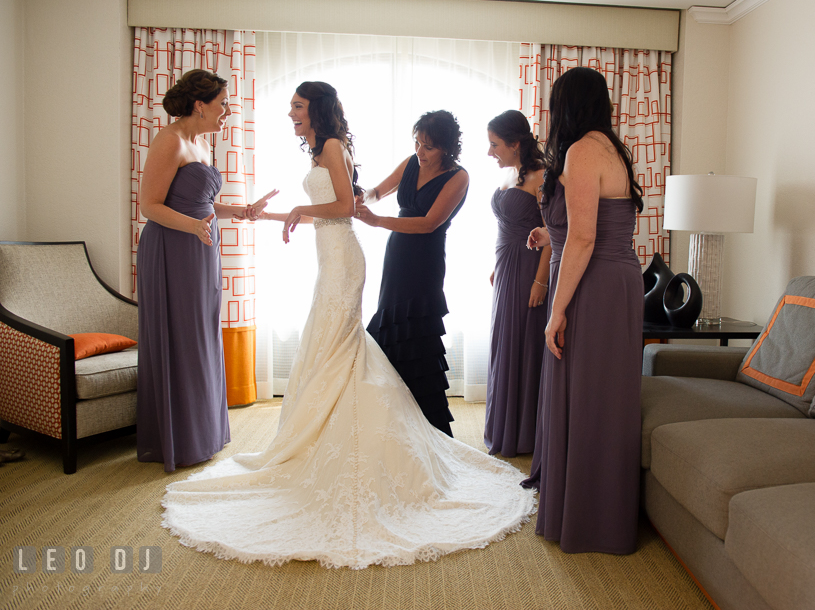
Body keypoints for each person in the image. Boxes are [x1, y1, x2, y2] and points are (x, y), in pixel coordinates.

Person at [161, 83, 535, 568]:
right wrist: (266, 212)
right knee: (343, 344)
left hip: (379, 259)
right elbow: (356, 197)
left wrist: (346, 215)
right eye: (417, 140)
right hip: (348, 254)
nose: (420, 148)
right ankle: (336, 426)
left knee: (362, 343)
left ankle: (397, 429)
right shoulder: (348, 153)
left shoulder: (428, 170)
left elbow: (370, 212)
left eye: (297, 106)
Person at [520, 67, 645, 554]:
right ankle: (596, 508)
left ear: (565, 106)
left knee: (589, 392)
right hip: (617, 279)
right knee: (602, 392)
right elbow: (592, 225)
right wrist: (549, 235)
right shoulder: (610, 147)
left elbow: (586, 236)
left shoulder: (582, 149)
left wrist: (557, 309)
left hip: (596, 282)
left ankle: (590, 518)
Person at [137, 69, 270, 472]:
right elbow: (150, 206)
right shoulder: (170, 140)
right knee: (181, 336)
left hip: (199, 248)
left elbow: (204, 205)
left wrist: (242, 211)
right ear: (200, 105)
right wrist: (193, 226)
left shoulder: (201, 145)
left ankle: (201, 435)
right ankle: (176, 439)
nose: (227, 111)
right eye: (223, 104)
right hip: (170, 250)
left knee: (200, 335)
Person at [356, 111, 469, 437]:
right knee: (390, 323)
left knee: (417, 331)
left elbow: (429, 223)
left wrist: (377, 221)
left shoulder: (458, 177)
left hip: (425, 259)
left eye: (428, 147)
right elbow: (380, 190)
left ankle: (426, 427)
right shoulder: (410, 163)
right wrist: (364, 198)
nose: (420, 152)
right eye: (417, 143)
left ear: (446, 148)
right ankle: (389, 416)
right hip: (398, 254)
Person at [484, 110, 550, 457]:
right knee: (504, 342)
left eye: (495, 145)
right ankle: (503, 427)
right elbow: (506, 226)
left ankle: (523, 434)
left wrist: (541, 281)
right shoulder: (511, 172)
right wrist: (498, 264)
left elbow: (553, 233)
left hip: (529, 269)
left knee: (522, 343)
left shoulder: (542, 175)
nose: (490, 152)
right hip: (507, 267)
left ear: (515, 143)